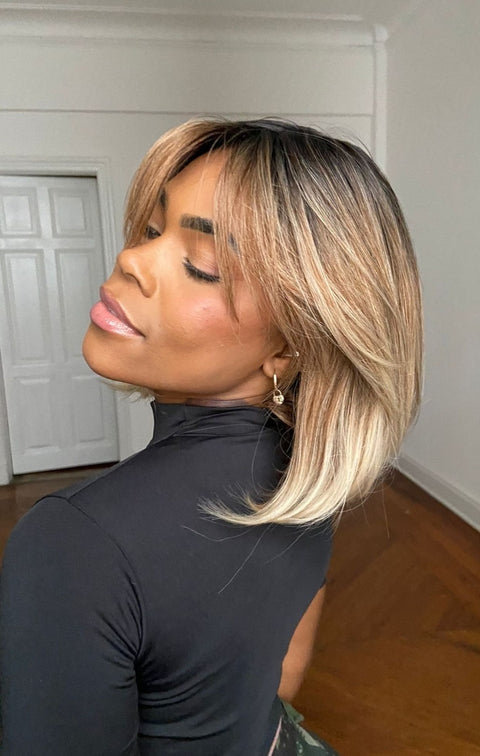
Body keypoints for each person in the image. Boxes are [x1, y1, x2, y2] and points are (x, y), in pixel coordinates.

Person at [0, 117, 423, 755]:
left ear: (289, 348)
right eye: (152, 229)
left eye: (202, 266)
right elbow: (284, 676)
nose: (132, 259)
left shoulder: (74, 541)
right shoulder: (308, 474)